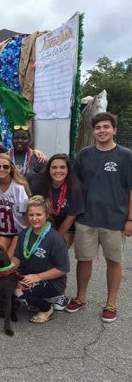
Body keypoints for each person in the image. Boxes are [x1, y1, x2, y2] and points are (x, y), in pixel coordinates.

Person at [65, 112, 132, 322]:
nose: (102, 131)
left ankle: (111, 302)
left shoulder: (126, 155)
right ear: (93, 131)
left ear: (113, 129)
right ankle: (80, 296)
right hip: (86, 219)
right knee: (83, 259)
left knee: (114, 261)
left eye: (106, 127)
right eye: (98, 128)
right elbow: (74, 186)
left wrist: (130, 219)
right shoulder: (84, 154)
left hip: (115, 220)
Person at [12, 196, 70, 324]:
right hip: (29, 277)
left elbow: (63, 269)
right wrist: (8, 269)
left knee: (19, 292)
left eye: (39, 214)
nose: (34, 218)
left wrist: (38, 277)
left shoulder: (55, 239)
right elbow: (17, 258)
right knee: (8, 285)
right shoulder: (24, 234)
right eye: (31, 214)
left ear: (47, 215)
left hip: (51, 282)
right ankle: (36, 298)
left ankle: (47, 309)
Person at [0, 153, 31, 258]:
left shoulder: (18, 188)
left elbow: (26, 214)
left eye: (6, 166)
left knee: (9, 261)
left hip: (20, 231)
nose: (1, 169)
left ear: (11, 168)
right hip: (3, 232)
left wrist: (28, 235)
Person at [41, 153, 84, 248]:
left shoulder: (75, 188)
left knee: (58, 249)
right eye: (54, 167)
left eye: (62, 167)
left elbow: (70, 217)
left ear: (68, 169)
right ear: (49, 169)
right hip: (43, 227)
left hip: (66, 229)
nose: (58, 171)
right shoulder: (40, 185)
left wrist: (55, 239)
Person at [8, 126, 46, 194]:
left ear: (30, 140)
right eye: (16, 138)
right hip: (8, 200)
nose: (20, 141)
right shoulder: (5, 157)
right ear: (12, 140)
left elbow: (45, 184)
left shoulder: (38, 158)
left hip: (31, 200)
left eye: (24, 138)